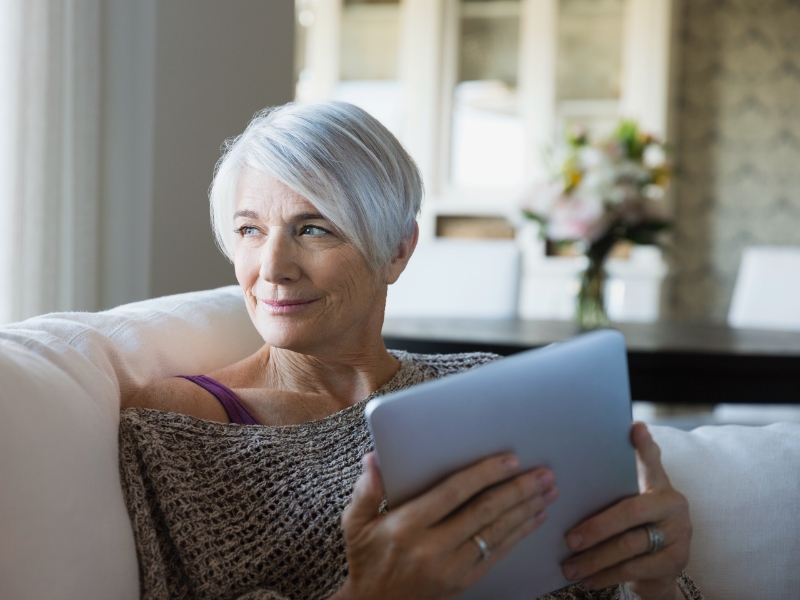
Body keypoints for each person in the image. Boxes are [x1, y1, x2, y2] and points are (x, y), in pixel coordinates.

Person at [120, 101, 700, 600]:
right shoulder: (178, 424)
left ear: (397, 250)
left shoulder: (485, 389)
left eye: (314, 228)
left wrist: (656, 583)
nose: (272, 268)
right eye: (250, 230)